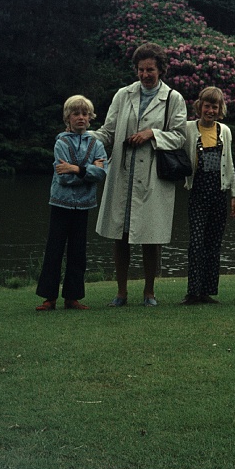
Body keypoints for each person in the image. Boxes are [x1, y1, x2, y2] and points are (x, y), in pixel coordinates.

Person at [89, 42, 187, 306]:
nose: (145, 75)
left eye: (151, 70)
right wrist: (83, 137)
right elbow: (108, 132)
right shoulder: (124, 95)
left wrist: (151, 134)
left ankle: (149, 292)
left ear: (161, 70)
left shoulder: (173, 99)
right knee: (120, 234)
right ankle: (121, 293)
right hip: (123, 173)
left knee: (151, 236)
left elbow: (179, 137)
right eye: (141, 70)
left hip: (153, 177)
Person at [35, 95, 108, 311]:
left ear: (90, 118)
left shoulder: (96, 143)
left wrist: (76, 168)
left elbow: (102, 173)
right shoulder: (61, 142)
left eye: (85, 114)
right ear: (68, 117)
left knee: (78, 251)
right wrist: (89, 170)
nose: (81, 118)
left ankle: (72, 297)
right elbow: (63, 177)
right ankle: (49, 298)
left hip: (84, 205)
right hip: (61, 203)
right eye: (76, 113)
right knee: (54, 250)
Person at [180, 87, 235, 305]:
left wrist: (234, 194)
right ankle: (192, 292)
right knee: (196, 243)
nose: (210, 110)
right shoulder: (187, 129)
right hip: (197, 194)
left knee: (213, 245)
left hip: (219, 195)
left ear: (220, 108)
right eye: (207, 105)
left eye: (215, 106)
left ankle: (207, 292)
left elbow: (229, 164)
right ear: (199, 106)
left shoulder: (225, 131)